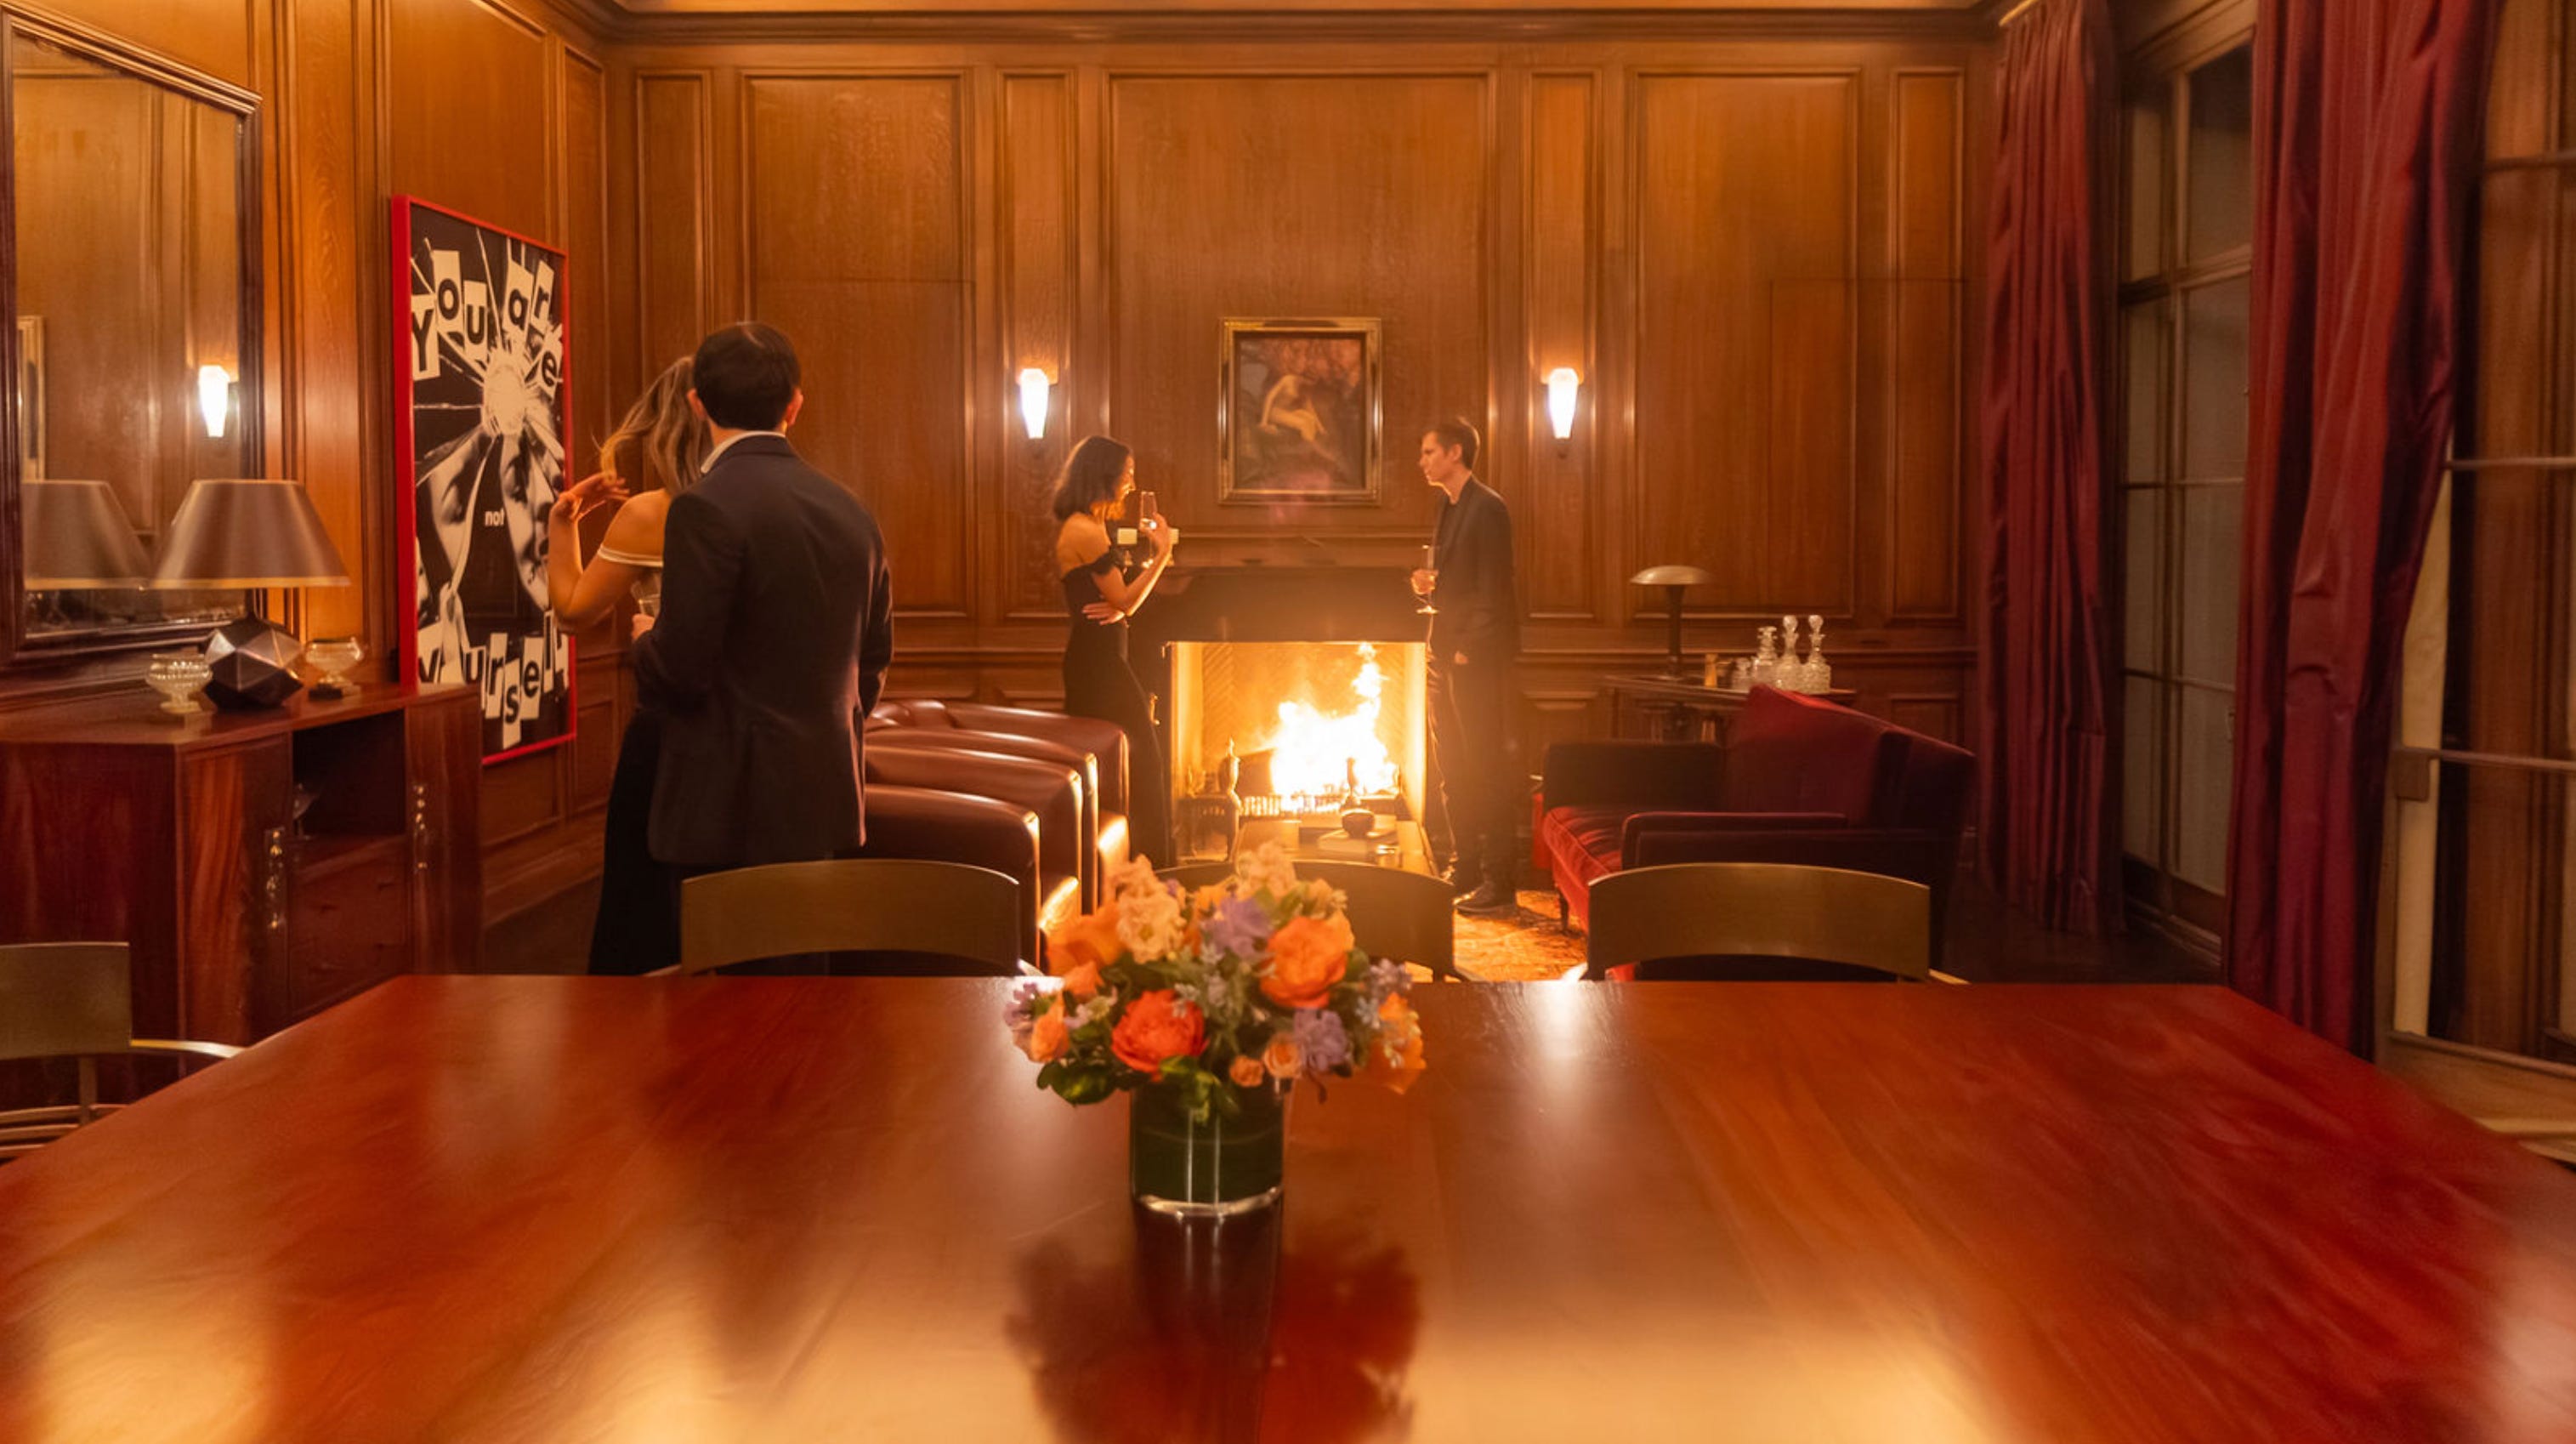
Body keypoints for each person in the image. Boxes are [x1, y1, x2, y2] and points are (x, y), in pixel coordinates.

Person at [630, 323, 892, 878]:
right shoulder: (851, 511)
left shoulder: (703, 507)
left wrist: (644, 641)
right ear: (794, 405)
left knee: (727, 938)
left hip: (725, 809)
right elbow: (872, 663)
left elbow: (681, 670)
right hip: (824, 798)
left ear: (698, 404)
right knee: (804, 937)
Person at [545, 358, 706, 974]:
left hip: (669, 735)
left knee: (646, 918)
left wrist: (563, 523)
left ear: (668, 424)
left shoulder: (651, 514)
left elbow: (572, 612)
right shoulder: (774, 508)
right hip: (758, 743)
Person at [1409, 417, 1522, 918]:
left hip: (1471, 658)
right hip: (1442, 651)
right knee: (1452, 767)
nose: (1422, 461)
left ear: (1455, 453)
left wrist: (1466, 650)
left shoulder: (1489, 507)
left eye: (1429, 452)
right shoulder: (1447, 505)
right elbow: (1454, 579)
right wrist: (1424, 583)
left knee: (1484, 767)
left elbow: (1495, 587)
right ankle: (1467, 866)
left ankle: (1500, 881)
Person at [1052, 435, 1177, 864]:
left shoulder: (1090, 526)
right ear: (1104, 475)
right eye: (1127, 474)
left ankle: (1141, 868)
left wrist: (1121, 605)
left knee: (1133, 766)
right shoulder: (1083, 530)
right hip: (1098, 668)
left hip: (1103, 663)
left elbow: (1118, 600)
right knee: (1144, 764)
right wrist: (1163, 554)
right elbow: (1125, 601)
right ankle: (1150, 870)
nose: (1131, 484)